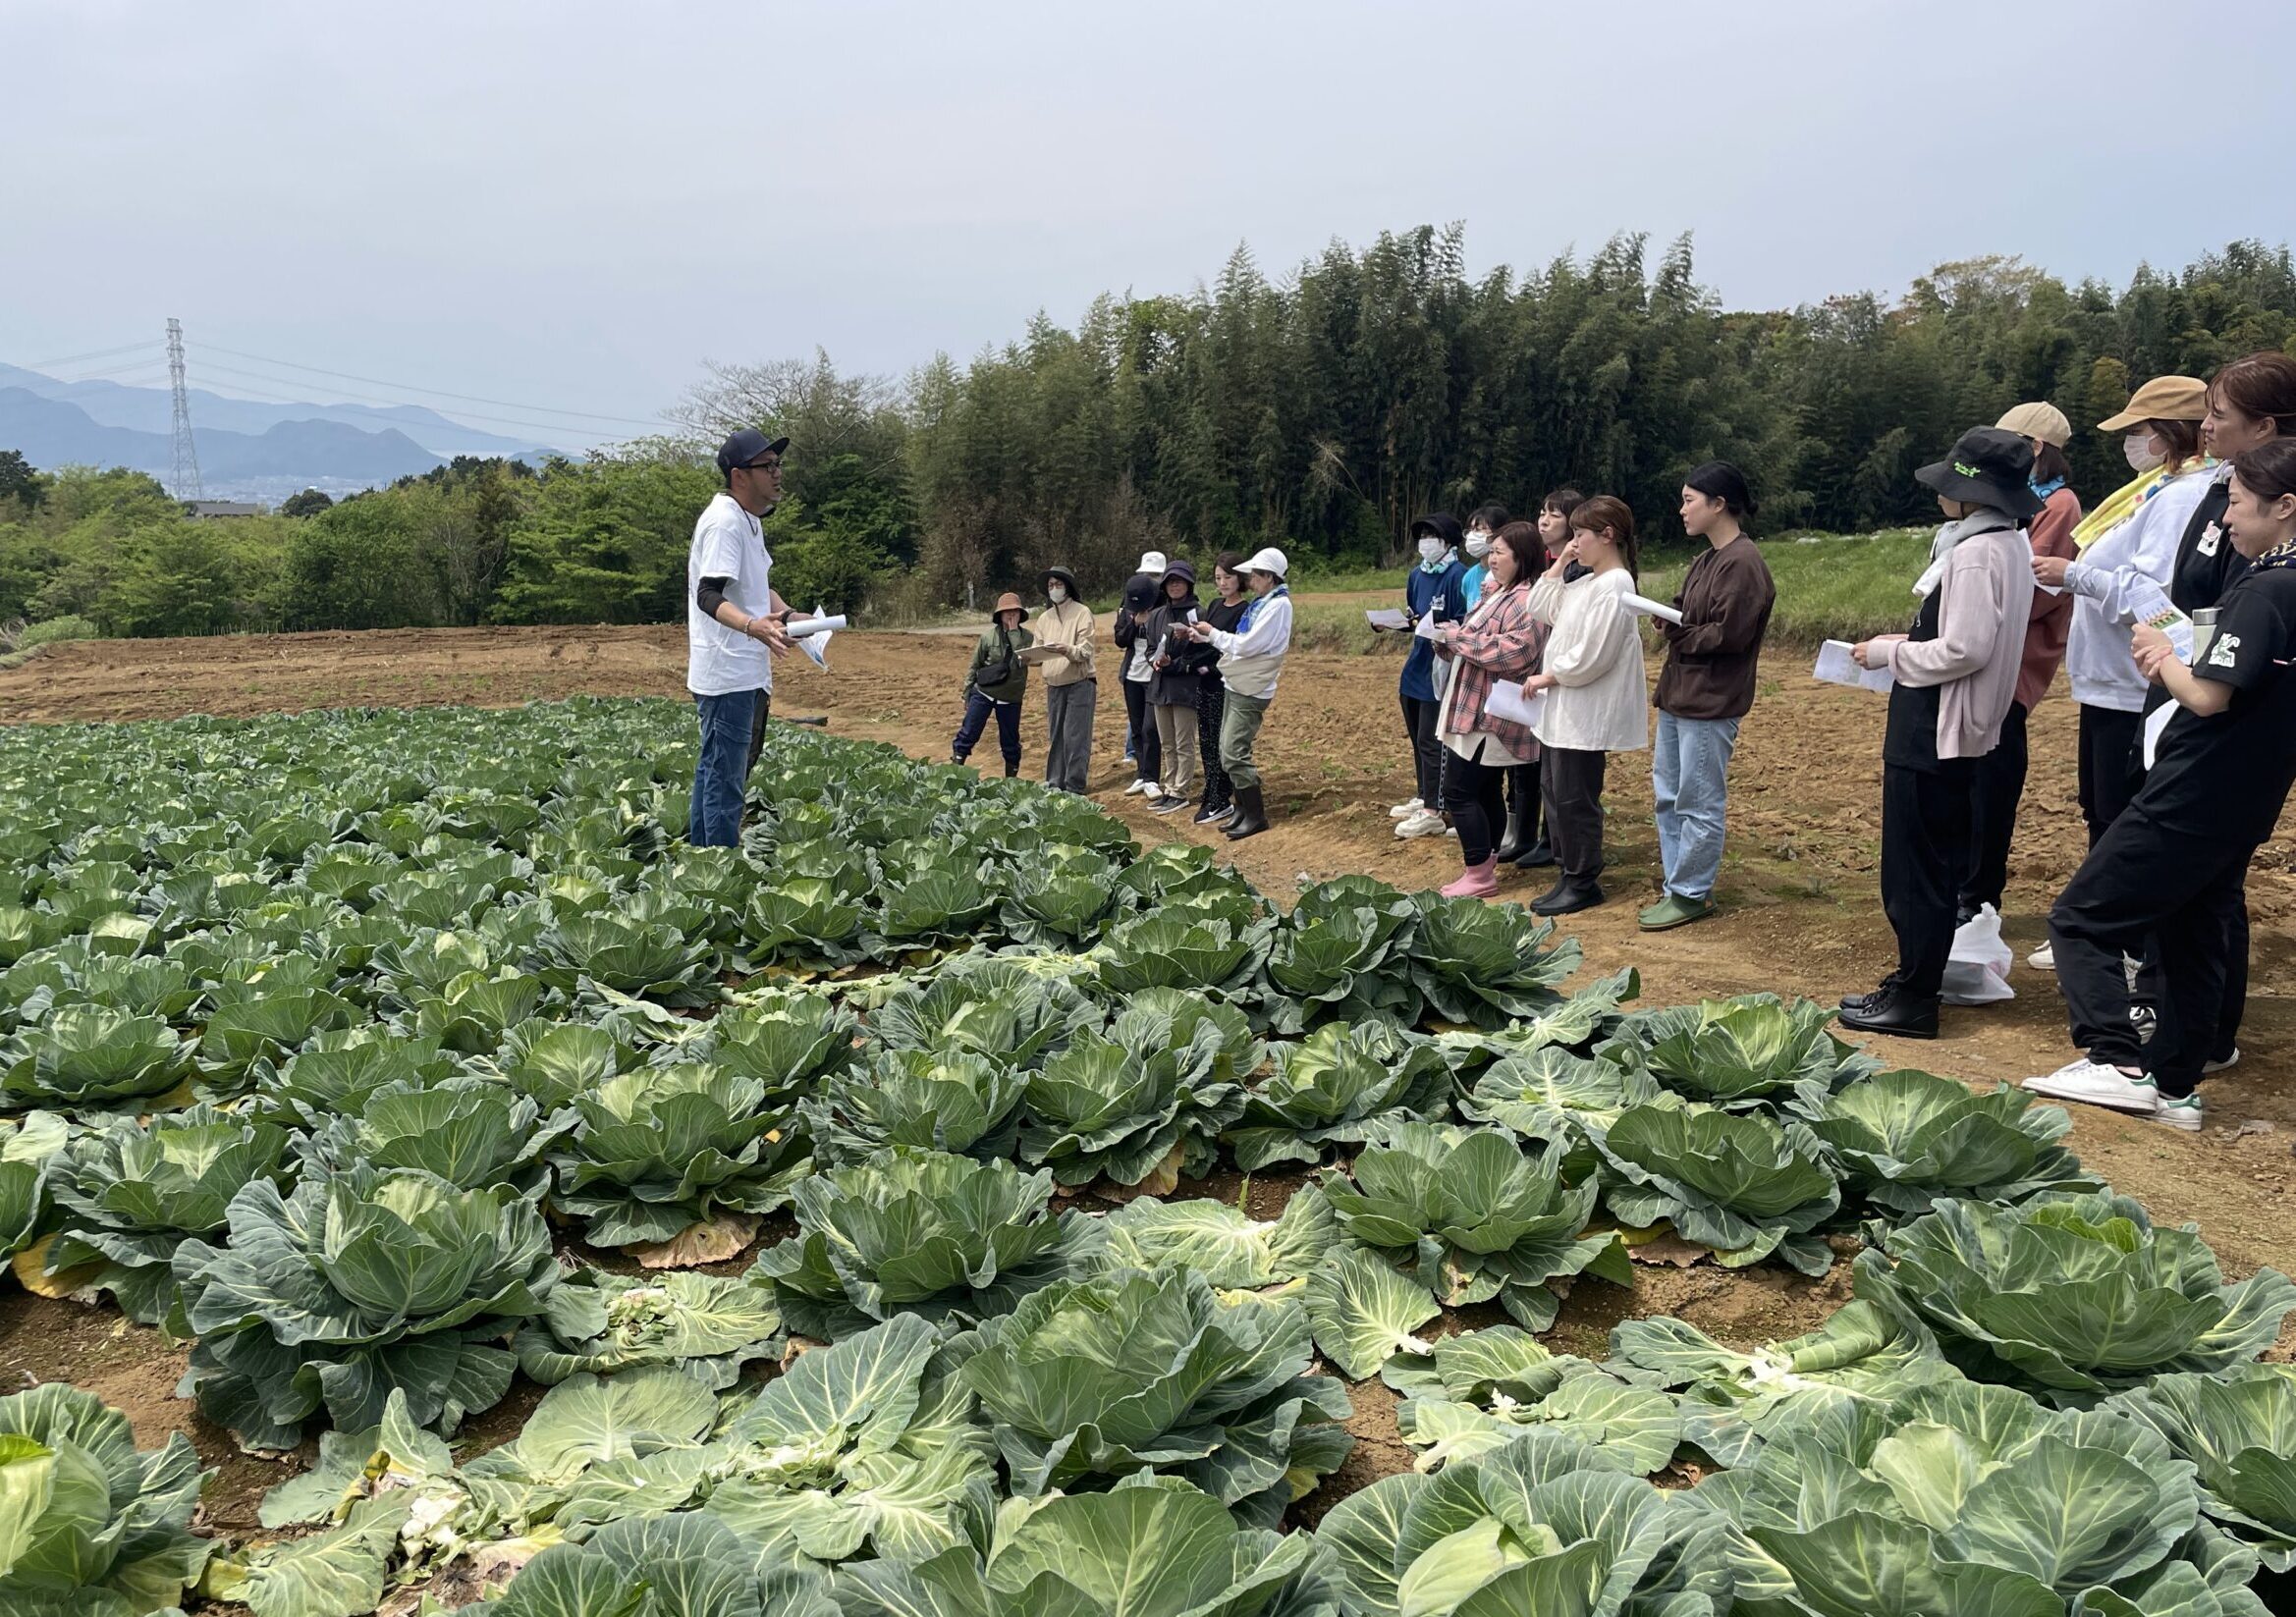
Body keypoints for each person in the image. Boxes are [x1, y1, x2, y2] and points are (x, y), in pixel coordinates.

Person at [2026, 354, 2296, 1106]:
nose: (2227, 512)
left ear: (2282, 504)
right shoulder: (2264, 568)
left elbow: (2209, 692)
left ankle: (2115, 1057)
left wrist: (2162, 654)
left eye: (2240, 502)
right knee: (2196, 918)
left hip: (2202, 766)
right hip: (2241, 778)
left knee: (2083, 914)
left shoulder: (2268, 585)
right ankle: (2177, 1079)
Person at [1836, 427, 2038, 1038]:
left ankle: (1916, 995)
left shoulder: (1977, 552)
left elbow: (1964, 648)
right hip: (1961, 723)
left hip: (1934, 726)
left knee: (1915, 867)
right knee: (1934, 860)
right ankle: (1914, 980)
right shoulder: (2006, 543)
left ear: (1971, 494)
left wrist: (1891, 654)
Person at [2035, 376, 2214, 852]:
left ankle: (2114, 926)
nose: (2132, 443)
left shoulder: (2182, 496)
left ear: (2171, 431)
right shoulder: (2154, 488)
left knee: (2119, 819)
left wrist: (2073, 576)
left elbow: (2154, 599)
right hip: (2109, 681)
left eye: (2139, 431)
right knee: (2102, 809)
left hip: (2132, 685)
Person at [1965, 403, 2081, 941]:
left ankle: (1980, 895)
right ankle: (1969, 888)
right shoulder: (2025, 503)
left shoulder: (2058, 505)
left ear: (2032, 448)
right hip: (1989, 658)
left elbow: (2030, 593)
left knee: (1992, 778)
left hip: (2014, 664)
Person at [1644, 462, 1775, 931]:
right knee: (1669, 796)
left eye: (1689, 500)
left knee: (1698, 800)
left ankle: (1692, 892)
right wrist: (1670, 615)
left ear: (1720, 504)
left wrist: (1681, 634)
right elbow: (1692, 612)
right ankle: (1676, 884)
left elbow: (1729, 636)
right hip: (1681, 694)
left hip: (1712, 699)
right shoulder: (1706, 559)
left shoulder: (1744, 563)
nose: (1682, 510)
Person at [1519, 496, 1647, 915]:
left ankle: (1583, 878)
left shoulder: (1616, 585)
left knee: (1576, 797)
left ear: (1607, 536)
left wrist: (1549, 676)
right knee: (1556, 792)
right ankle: (1567, 871)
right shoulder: (1587, 582)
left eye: (1579, 535)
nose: (1574, 544)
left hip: (1583, 710)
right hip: (1564, 710)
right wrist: (1558, 564)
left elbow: (1596, 654)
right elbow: (1540, 607)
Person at [686, 428, 793, 847]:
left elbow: (753, 586)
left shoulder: (749, 520)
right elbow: (708, 593)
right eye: (767, 466)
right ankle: (717, 874)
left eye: (778, 464)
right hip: (727, 671)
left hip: (744, 671)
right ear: (739, 476)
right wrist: (754, 626)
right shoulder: (725, 522)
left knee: (716, 772)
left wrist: (789, 616)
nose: (777, 472)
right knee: (725, 781)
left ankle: (702, 862)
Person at [1430, 522, 1543, 897]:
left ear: (1522, 557)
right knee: (1486, 789)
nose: (1491, 558)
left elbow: (1515, 652)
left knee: (1459, 791)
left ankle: (1478, 874)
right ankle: (1485, 866)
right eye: (1491, 551)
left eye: (1500, 552)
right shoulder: (1497, 592)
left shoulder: (1527, 600)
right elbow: (1472, 637)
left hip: (1488, 712)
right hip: (1473, 704)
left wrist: (1457, 639)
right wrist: (1447, 640)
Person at [1187, 547, 1291, 840]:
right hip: (1238, 682)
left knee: (1233, 751)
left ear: (1268, 577)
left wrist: (1212, 633)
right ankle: (1243, 810)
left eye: (1254, 574)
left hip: (1251, 686)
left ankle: (1255, 815)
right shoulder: (1264, 603)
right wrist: (1209, 635)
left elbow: (1248, 645)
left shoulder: (1277, 607)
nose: (1250, 579)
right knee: (1226, 749)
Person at [1506, 489, 1586, 870]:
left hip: (1558, 675)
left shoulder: (1582, 570)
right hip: (1541, 671)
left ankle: (1558, 847)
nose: (1543, 520)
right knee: (1540, 767)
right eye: (1541, 512)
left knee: (1560, 774)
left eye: (1553, 515)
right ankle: (1545, 838)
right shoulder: (1547, 563)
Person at [1392, 514, 1470, 841]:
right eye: (1421, 534)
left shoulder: (1459, 576)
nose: (1425, 540)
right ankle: (1424, 794)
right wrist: (1398, 622)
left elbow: (1463, 621)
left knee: (1431, 740)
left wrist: (1436, 627)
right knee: (1417, 737)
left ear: (1448, 540)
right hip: (1416, 665)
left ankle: (1434, 811)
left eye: (1432, 535)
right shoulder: (1416, 575)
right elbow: (1414, 614)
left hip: (1440, 668)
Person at [1144, 560, 1211, 813]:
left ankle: (1180, 791)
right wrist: (1155, 662)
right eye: (1170, 581)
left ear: (1189, 584)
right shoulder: (1157, 615)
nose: (1175, 585)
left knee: (1184, 742)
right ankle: (1169, 787)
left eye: (1179, 581)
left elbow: (1201, 652)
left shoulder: (1198, 614)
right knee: (1167, 742)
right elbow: (1150, 648)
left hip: (1185, 686)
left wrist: (1174, 664)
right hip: (1160, 685)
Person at [1191, 553, 1250, 826]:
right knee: (1206, 740)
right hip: (1204, 681)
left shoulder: (1244, 609)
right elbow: (1208, 640)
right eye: (1218, 578)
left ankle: (1221, 798)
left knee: (1220, 742)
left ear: (1240, 578)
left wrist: (1211, 666)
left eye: (1228, 577)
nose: (1223, 582)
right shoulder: (1215, 605)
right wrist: (1193, 635)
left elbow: (1235, 647)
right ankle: (1210, 791)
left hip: (1223, 681)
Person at [950, 592, 1033, 777]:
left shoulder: (1027, 638)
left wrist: (1013, 633)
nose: (1011, 615)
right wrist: (967, 692)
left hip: (1011, 697)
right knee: (969, 732)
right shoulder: (988, 637)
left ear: (1021, 614)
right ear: (999, 615)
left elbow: (1021, 657)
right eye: (1007, 612)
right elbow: (975, 664)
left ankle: (1011, 781)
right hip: (985, 692)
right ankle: (955, 772)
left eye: (1015, 611)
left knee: (1010, 741)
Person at [1036, 566, 1097, 793]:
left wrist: (1066, 650)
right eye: (1051, 585)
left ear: (1068, 587)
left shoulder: (1082, 613)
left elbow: (1085, 650)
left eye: (1058, 584)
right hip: (1053, 684)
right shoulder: (1044, 618)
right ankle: (1054, 783)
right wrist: (1028, 658)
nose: (1054, 589)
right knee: (1056, 737)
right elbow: (1037, 649)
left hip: (1079, 683)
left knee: (1076, 736)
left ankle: (1074, 785)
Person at [1113, 563, 1167, 800]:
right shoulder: (1126, 609)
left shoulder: (1162, 608)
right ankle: (1142, 775)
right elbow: (1120, 640)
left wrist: (1150, 621)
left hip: (1153, 675)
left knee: (1150, 729)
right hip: (1132, 676)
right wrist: (1134, 623)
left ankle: (1152, 778)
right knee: (1136, 728)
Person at [1459, 504, 1510, 608]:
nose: (1471, 535)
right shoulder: (1468, 577)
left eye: (1478, 530)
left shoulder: (1509, 576)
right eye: (1470, 530)